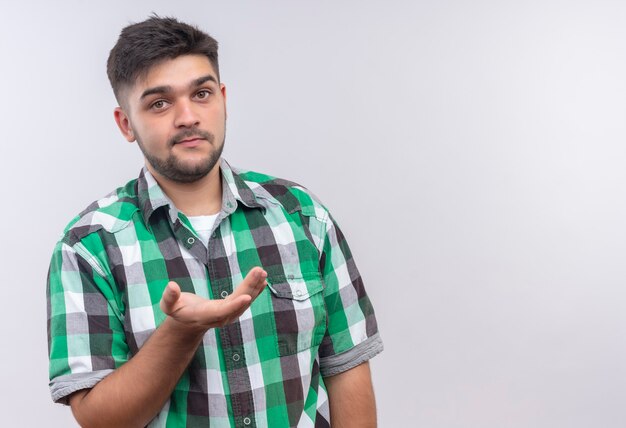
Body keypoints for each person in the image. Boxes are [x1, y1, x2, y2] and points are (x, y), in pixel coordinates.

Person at [47, 15, 383, 428]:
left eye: (202, 94)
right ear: (125, 124)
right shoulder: (88, 247)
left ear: (223, 98)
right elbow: (100, 419)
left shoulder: (302, 215)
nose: (187, 117)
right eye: (159, 103)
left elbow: (346, 367)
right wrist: (180, 333)